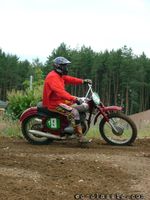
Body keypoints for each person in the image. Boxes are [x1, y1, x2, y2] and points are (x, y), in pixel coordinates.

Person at [42, 56, 92, 143]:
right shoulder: (53, 77)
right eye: (64, 66)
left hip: (61, 101)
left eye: (66, 66)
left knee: (83, 105)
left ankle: (73, 125)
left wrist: (83, 81)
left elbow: (70, 79)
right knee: (74, 112)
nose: (66, 68)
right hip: (54, 104)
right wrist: (74, 98)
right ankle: (79, 136)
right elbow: (60, 92)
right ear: (58, 66)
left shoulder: (59, 75)